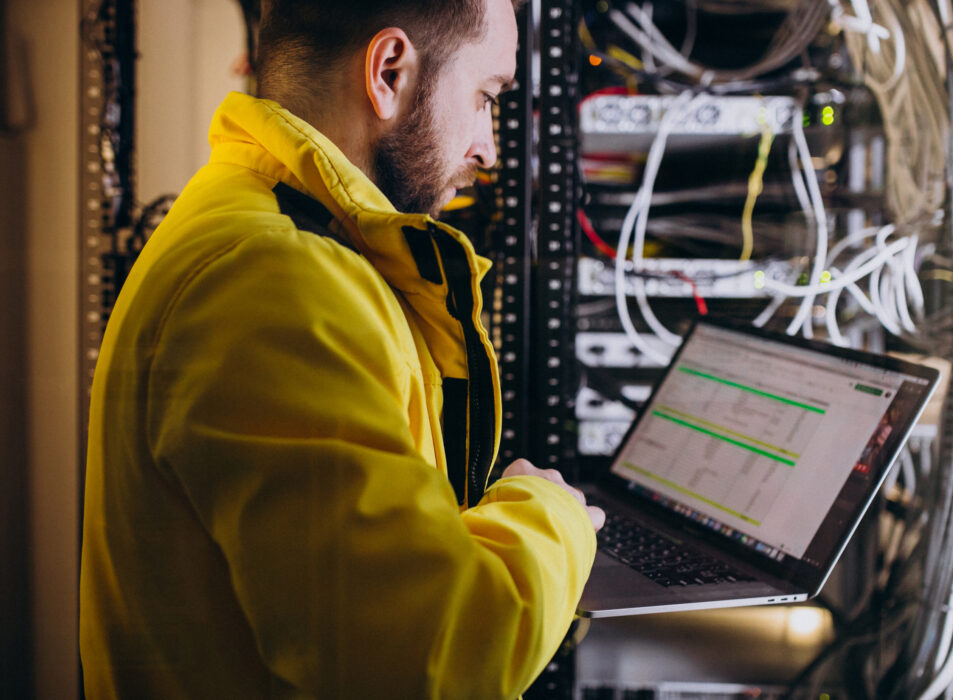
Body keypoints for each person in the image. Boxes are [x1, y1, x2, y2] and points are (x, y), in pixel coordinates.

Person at [79, 0, 605, 697]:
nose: (490, 148)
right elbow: (433, 662)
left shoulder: (272, 232)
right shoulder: (272, 280)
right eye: (484, 98)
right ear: (388, 72)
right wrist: (550, 511)